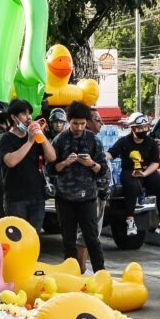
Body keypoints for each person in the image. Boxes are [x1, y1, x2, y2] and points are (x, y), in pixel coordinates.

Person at [49, 100, 107, 272]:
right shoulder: (59, 140)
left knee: (92, 239)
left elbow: (102, 170)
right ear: (69, 121)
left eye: (82, 124)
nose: (79, 127)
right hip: (65, 198)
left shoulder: (93, 140)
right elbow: (50, 169)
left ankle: (100, 273)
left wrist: (91, 163)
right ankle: (71, 275)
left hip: (87, 198)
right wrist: (65, 163)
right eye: (75, 123)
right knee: (68, 241)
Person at [0, 97, 51, 231]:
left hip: (37, 196)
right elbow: (10, 161)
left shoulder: (35, 137)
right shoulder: (5, 138)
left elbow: (52, 157)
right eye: (24, 114)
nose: (29, 118)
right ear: (14, 117)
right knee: (17, 236)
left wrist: (41, 136)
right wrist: (29, 141)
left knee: (34, 236)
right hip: (16, 198)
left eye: (30, 114)